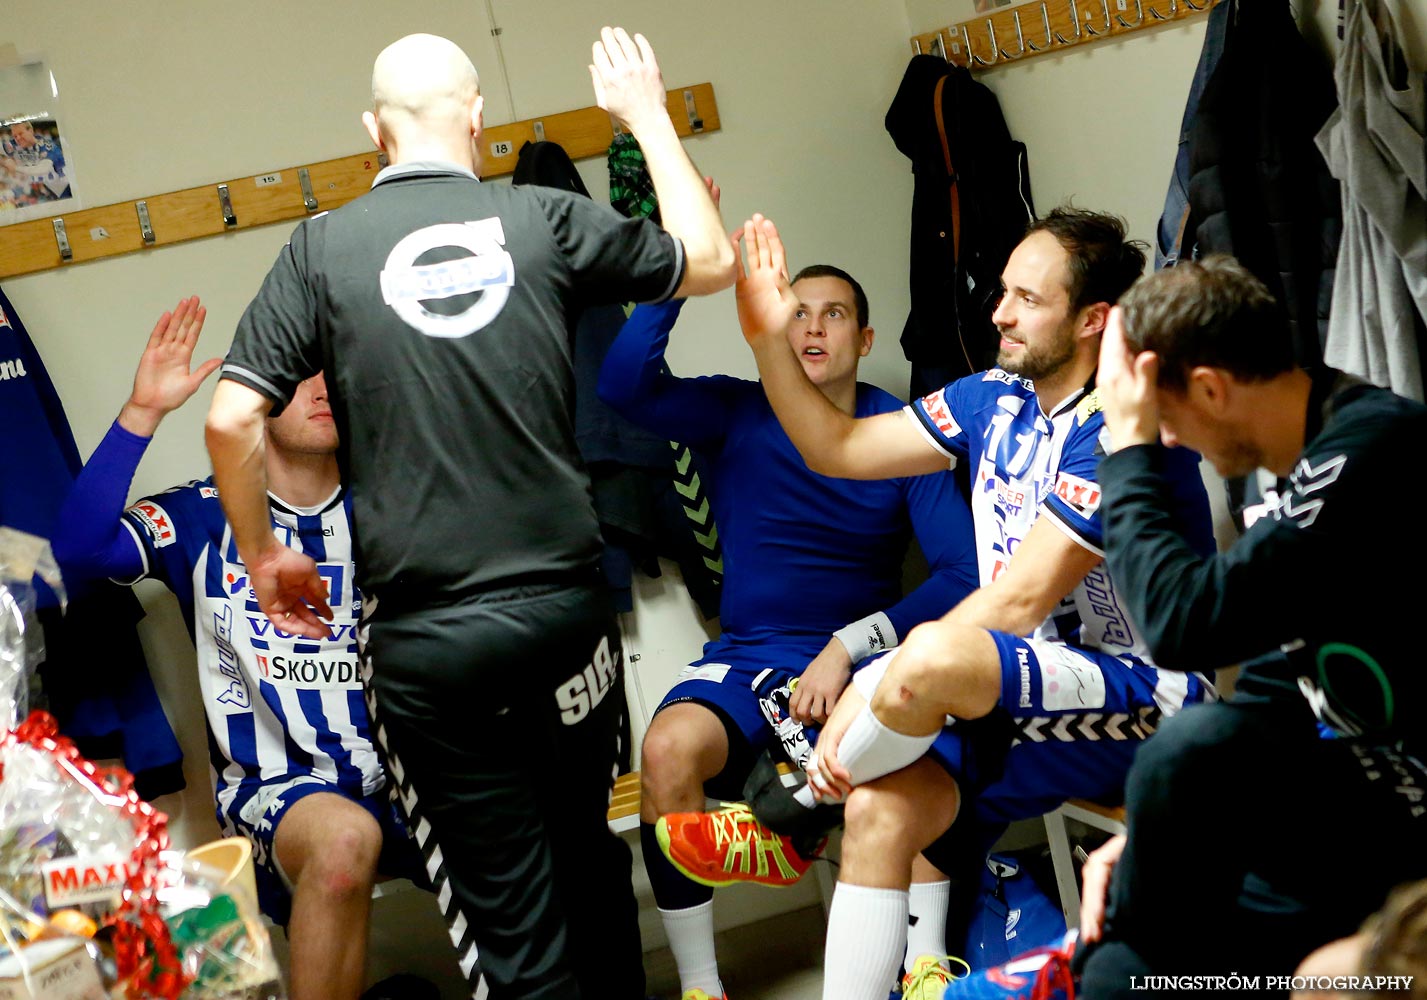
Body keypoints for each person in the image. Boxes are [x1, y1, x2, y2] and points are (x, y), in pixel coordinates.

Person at [204, 29, 737, 1000]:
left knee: (513, 929)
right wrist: (644, 114)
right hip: (566, 623)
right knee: (588, 864)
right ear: (479, 120)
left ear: (373, 133)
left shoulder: (322, 245)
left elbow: (231, 414)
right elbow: (707, 259)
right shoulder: (538, 216)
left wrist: (263, 550)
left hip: (429, 642)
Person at [666, 208, 1216, 1000]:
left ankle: (797, 811)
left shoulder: (1123, 423)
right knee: (879, 815)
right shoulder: (993, 395)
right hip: (1019, 690)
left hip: (1147, 696)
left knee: (923, 655)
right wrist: (763, 342)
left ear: (1093, 320)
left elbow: (1021, 600)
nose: (998, 312)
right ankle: (828, 835)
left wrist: (876, 673)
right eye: (1002, 292)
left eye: (1027, 299)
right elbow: (840, 448)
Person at [597, 257, 979, 1000]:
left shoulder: (902, 433)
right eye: (797, 311)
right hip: (748, 658)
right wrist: (679, 277)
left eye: (832, 313)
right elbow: (620, 388)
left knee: (911, 762)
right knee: (667, 749)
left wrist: (851, 644)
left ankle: (927, 965)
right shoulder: (735, 410)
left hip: (858, 662)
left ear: (864, 338)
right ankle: (701, 986)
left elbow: (964, 574)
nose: (812, 325)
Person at [1067, 256, 1427, 997]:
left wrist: (1125, 452)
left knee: (1186, 746)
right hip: (1353, 818)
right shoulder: (1289, 462)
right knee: (1117, 972)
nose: (1165, 440)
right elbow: (1278, 678)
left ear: (1208, 388)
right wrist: (1153, 832)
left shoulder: (1375, 450)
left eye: (1162, 417)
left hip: (1404, 845)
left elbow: (1181, 621)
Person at [51, 298, 421, 1000]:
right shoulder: (197, 515)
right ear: (254, 395)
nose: (322, 387)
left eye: (334, 371)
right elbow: (75, 549)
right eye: (301, 372)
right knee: (344, 844)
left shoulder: (402, 500)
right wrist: (142, 412)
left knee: (549, 837)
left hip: (418, 774)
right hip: (283, 792)